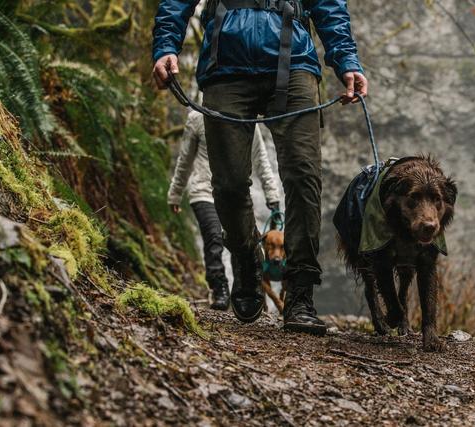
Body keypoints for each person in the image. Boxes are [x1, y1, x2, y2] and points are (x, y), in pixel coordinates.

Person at [153, 0, 367, 335]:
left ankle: (300, 293)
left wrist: (347, 61)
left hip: (294, 62)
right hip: (225, 65)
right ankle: (246, 261)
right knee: (228, 183)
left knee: (304, 177)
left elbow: (328, 4)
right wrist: (166, 45)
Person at [168, 108, 280, 310]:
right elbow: (185, 158)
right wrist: (175, 193)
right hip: (203, 190)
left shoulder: (247, 117)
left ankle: (243, 289)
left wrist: (272, 195)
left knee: (240, 239)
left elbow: (261, 159)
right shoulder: (196, 118)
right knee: (214, 237)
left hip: (234, 196)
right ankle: (219, 288)